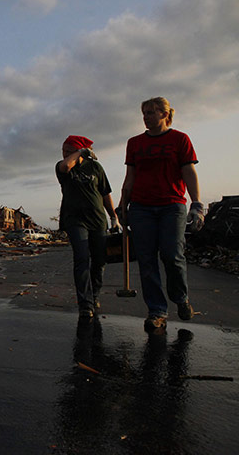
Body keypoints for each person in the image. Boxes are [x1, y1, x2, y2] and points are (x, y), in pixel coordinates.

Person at [118, 97, 204, 332]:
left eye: (152, 112)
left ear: (165, 114)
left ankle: (181, 298)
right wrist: (122, 204)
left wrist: (197, 204)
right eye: (144, 112)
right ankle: (157, 311)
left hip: (172, 205)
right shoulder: (134, 143)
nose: (146, 116)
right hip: (141, 207)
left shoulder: (179, 139)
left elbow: (189, 171)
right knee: (146, 261)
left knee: (172, 255)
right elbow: (130, 177)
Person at [56, 135, 118, 318]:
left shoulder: (96, 168)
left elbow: (105, 193)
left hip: (97, 220)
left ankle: (94, 295)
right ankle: (85, 303)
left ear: (77, 150)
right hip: (75, 220)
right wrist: (78, 153)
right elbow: (66, 165)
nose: (64, 153)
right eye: (63, 150)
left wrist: (113, 216)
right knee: (82, 258)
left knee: (99, 261)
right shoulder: (62, 166)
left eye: (68, 150)